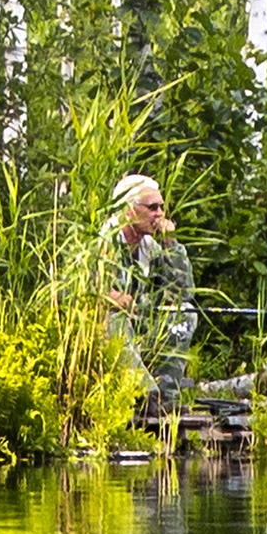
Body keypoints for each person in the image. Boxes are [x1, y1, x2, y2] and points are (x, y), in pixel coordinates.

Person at [105, 173, 198, 415]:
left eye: (161, 207)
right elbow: (74, 291)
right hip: (106, 333)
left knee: (185, 314)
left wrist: (171, 244)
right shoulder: (104, 241)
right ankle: (145, 395)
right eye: (152, 207)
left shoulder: (150, 246)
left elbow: (184, 291)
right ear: (128, 209)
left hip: (141, 329)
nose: (159, 214)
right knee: (115, 317)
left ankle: (167, 395)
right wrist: (109, 296)